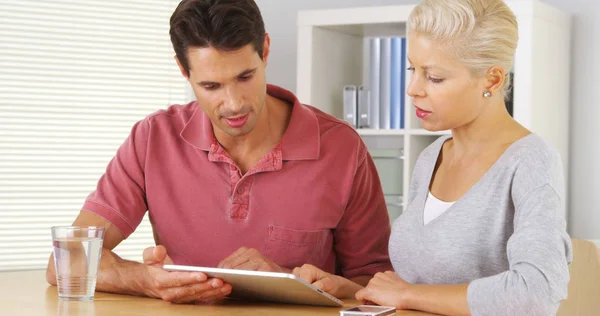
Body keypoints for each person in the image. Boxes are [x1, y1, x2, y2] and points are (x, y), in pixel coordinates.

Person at [45, 0, 393, 304]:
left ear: (266, 50)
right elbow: (66, 261)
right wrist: (145, 281)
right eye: (211, 86)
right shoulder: (152, 139)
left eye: (245, 76)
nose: (234, 103)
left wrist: (288, 283)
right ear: (184, 72)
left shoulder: (342, 148)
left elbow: (375, 285)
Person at [293, 0, 573, 315]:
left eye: (434, 77)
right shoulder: (431, 157)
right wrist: (353, 289)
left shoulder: (531, 161)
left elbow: (536, 293)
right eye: (413, 69)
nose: (412, 89)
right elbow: (416, 288)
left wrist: (408, 295)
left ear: (492, 80)